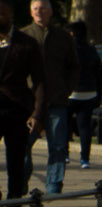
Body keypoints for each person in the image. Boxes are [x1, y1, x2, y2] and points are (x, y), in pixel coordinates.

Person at [0, 0, 45, 207]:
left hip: (17, 110)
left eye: (2, 13)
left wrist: (37, 113)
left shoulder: (26, 44)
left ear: (10, 15)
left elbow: (38, 81)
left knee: (16, 165)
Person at [20, 0, 67, 192]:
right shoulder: (23, 36)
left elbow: (73, 66)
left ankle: (54, 185)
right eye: (35, 8)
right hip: (28, 102)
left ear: (51, 11)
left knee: (57, 146)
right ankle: (21, 182)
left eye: (43, 8)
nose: (39, 11)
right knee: (23, 145)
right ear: (31, 12)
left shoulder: (62, 37)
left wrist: (66, 88)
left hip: (56, 100)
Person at [67, 19, 99, 168]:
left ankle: (65, 154)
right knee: (84, 127)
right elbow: (98, 71)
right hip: (89, 92)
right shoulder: (91, 49)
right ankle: (84, 158)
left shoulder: (68, 48)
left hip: (70, 92)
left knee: (65, 124)